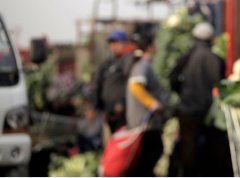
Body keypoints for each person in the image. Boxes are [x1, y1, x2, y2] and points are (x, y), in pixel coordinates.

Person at [176, 21, 231, 177]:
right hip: (210, 111)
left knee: (189, 146)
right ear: (211, 39)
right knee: (213, 146)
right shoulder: (217, 59)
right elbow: (221, 83)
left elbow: (173, 78)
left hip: (188, 109)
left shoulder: (186, 58)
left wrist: (182, 92)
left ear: (195, 38)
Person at [125, 28, 170, 177]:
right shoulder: (143, 65)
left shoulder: (142, 63)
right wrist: (153, 104)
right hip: (145, 122)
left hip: (145, 122)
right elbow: (135, 85)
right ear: (150, 46)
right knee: (153, 151)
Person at [94, 29, 136, 133]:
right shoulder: (107, 64)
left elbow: (129, 84)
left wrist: (121, 102)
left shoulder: (128, 61)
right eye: (112, 43)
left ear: (125, 44)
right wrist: (98, 107)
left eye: (117, 43)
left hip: (123, 112)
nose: (114, 46)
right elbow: (99, 85)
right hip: (109, 112)